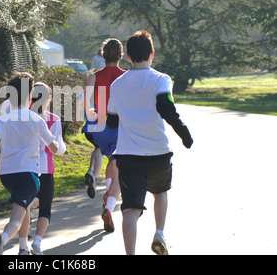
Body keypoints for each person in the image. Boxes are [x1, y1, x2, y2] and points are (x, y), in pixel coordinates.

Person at [107, 30, 193, 255]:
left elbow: (112, 123)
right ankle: (159, 234)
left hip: (128, 156)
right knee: (160, 192)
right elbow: (167, 109)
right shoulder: (161, 79)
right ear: (152, 53)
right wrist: (184, 134)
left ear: (128, 57)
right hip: (158, 153)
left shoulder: (117, 85)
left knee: (130, 210)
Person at [0, 73, 58, 255]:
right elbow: (54, 148)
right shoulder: (36, 119)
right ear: (29, 96)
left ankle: (23, 247)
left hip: (6, 175)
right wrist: (56, 144)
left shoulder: (2, 119)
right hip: (28, 175)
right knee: (16, 219)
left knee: (24, 204)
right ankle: (1, 241)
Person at [85, 38, 126, 233]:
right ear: (121, 55)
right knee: (117, 165)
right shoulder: (125, 76)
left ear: (103, 54)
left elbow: (85, 100)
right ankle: (110, 200)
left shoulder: (94, 76)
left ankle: (108, 193)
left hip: (99, 126)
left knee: (110, 159)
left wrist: (89, 111)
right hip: (119, 126)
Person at [24, 82, 66, 255]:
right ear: (48, 99)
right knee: (46, 209)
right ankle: (37, 243)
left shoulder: (23, 117)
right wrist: (61, 148)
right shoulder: (53, 119)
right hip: (46, 168)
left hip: (26, 166)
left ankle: (31, 204)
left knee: (25, 203)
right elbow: (59, 148)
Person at [74, 92, 103, 199]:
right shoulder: (101, 92)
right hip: (99, 129)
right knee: (100, 151)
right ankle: (94, 178)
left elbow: (78, 99)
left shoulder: (84, 94)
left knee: (97, 148)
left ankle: (90, 170)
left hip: (88, 131)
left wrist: (77, 120)